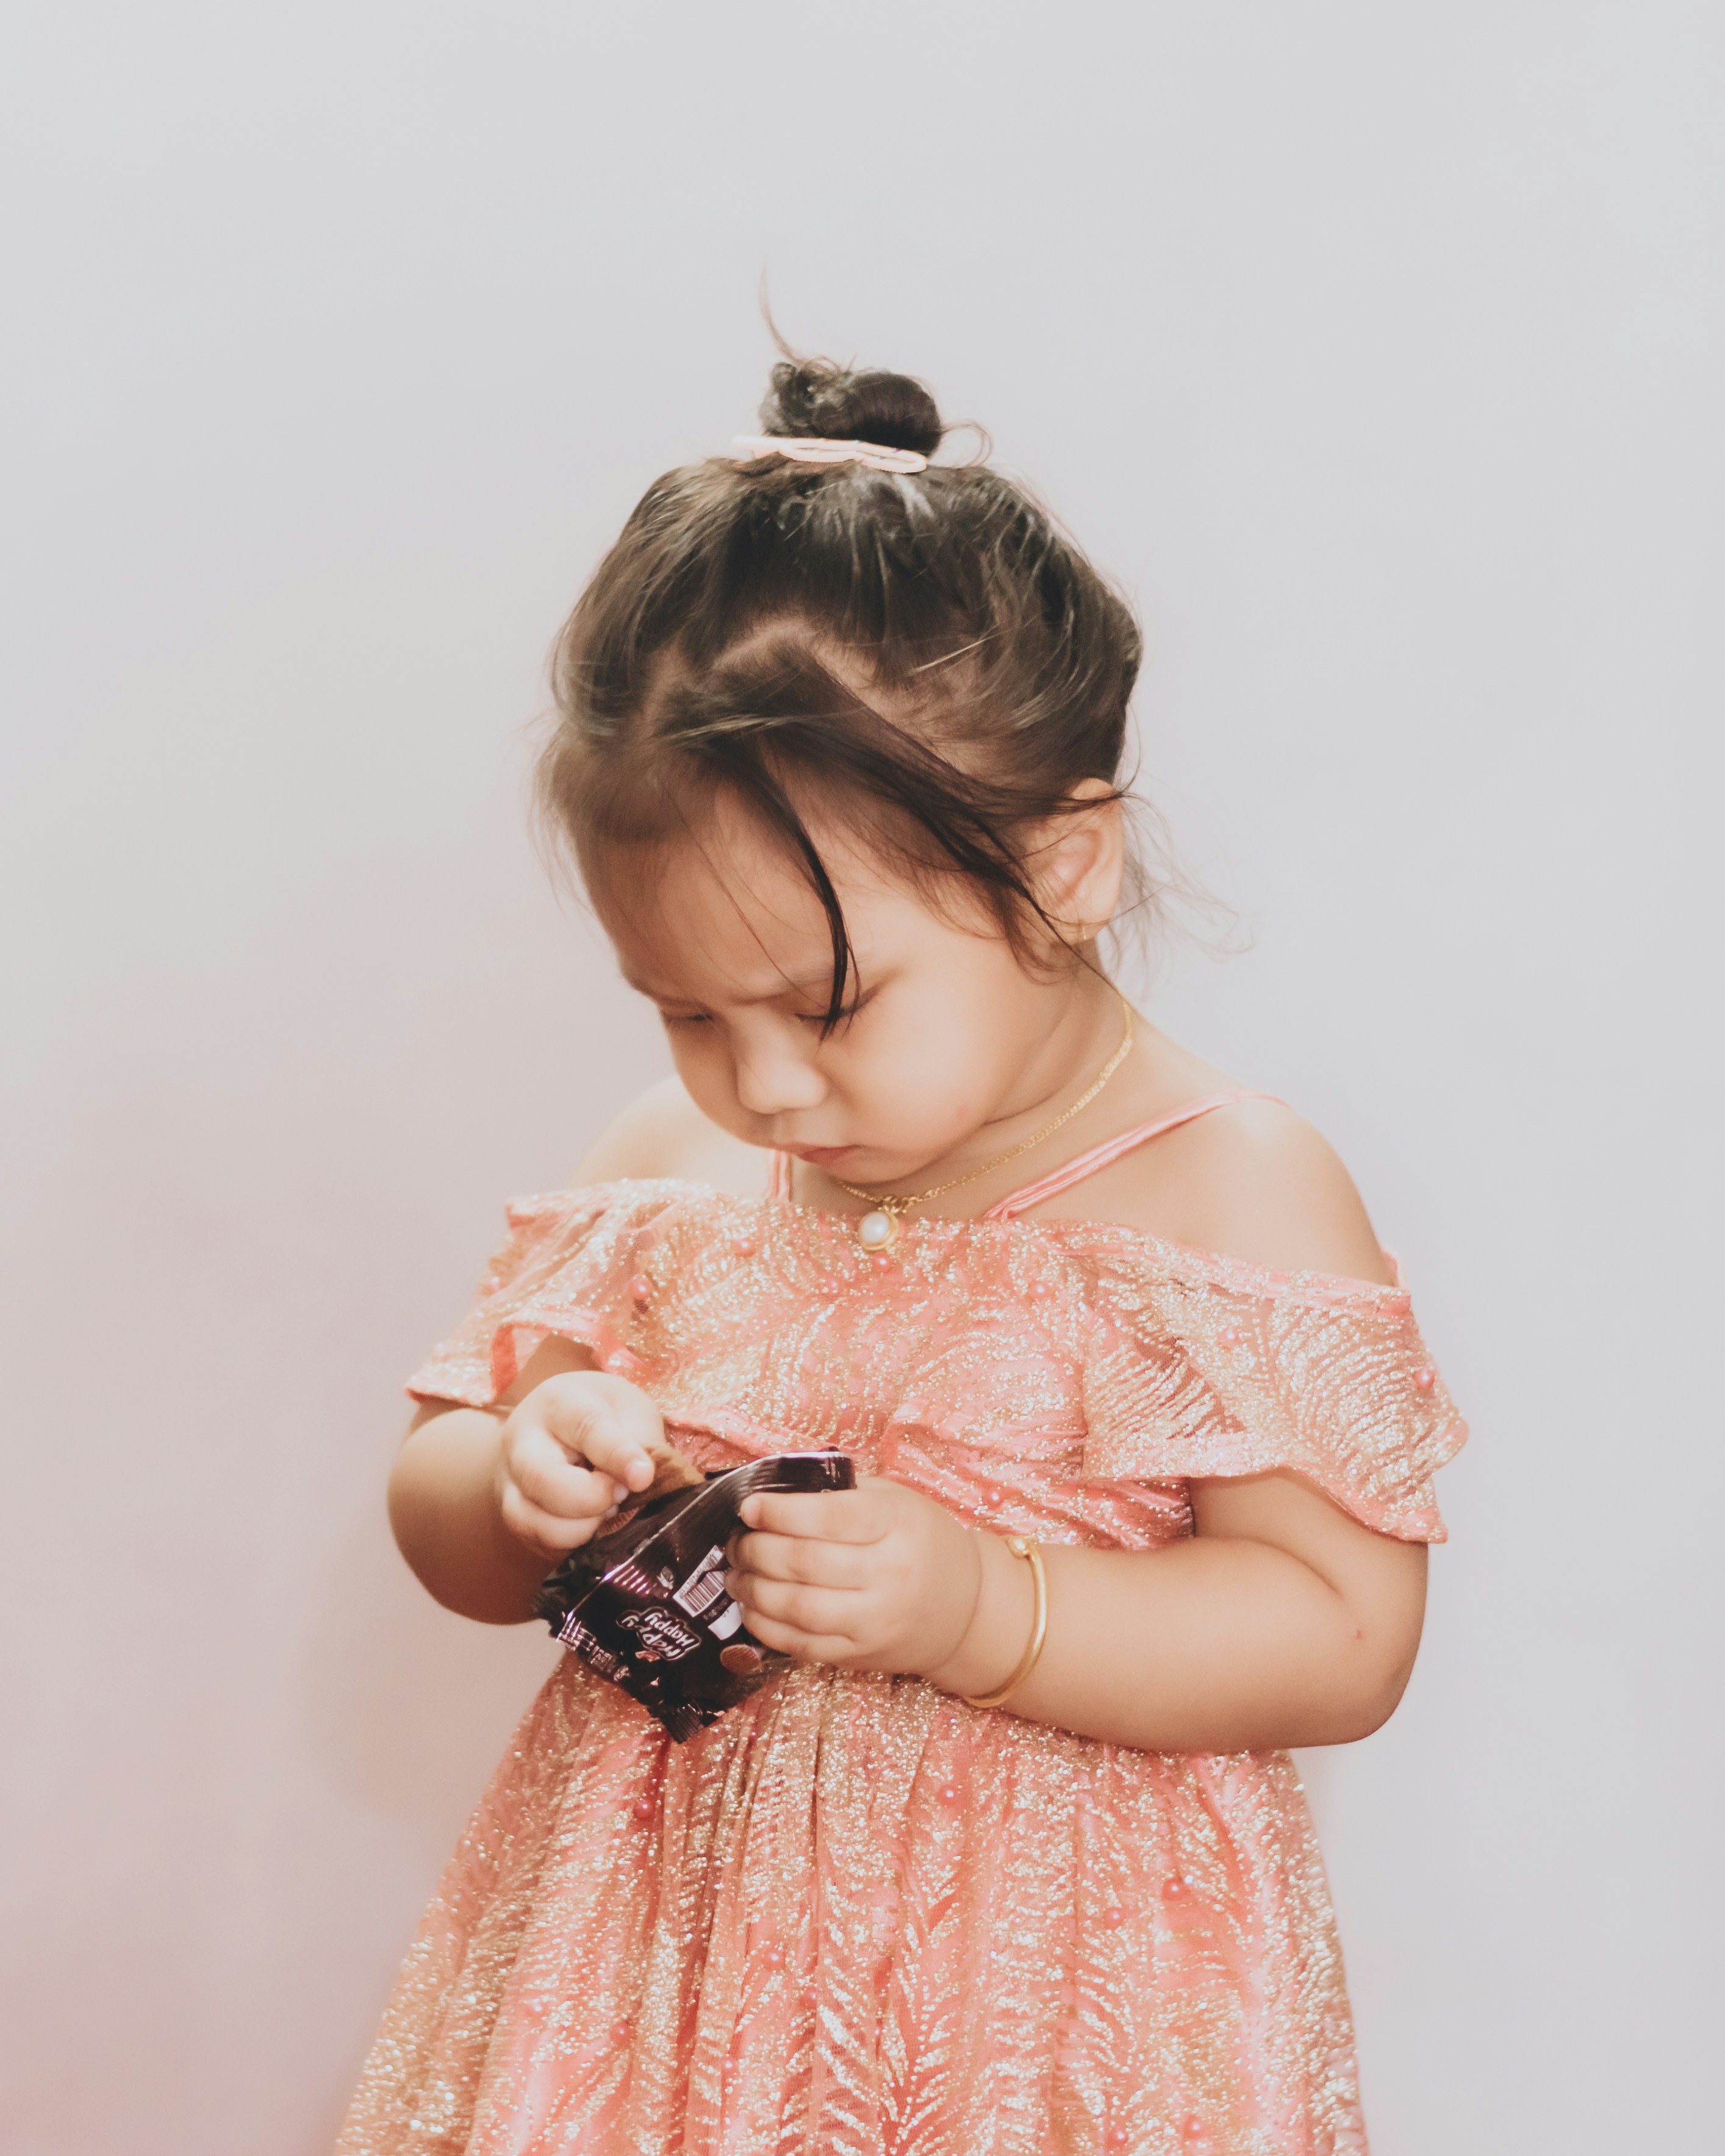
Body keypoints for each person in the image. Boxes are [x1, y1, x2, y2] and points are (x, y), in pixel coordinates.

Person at [337, 350, 1465, 2156]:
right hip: (653, 1979)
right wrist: (514, 1478)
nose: (763, 1085)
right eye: (689, 1011)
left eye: (825, 1003)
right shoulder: (675, 1167)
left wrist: (980, 1608)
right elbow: (446, 1519)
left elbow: (1340, 1633)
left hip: (1041, 2016)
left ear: (1066, 865)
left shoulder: (1215, 1191)